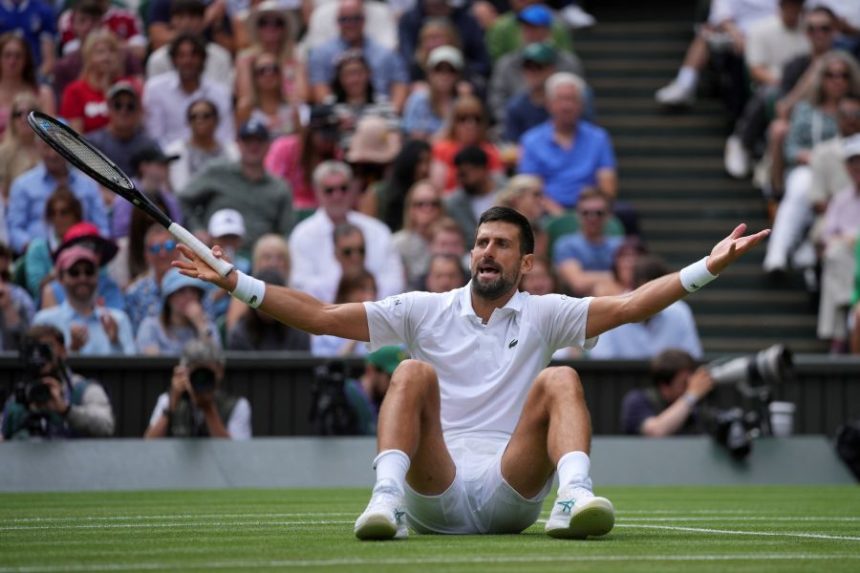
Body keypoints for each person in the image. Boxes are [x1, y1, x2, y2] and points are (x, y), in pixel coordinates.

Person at [173, 204, 768, 540]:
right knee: (412, 374)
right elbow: (325, 317)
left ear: (526, 262)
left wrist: (706, 268)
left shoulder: (546, 313)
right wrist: (237, 282)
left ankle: (575, 499)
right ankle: (385, 503)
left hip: (513, 492)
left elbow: (631, 304)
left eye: (502, 244)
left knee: (561, 379)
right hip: (435, 485)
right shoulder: (423, 309)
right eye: (481, 241)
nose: (487, 251)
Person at [289, 160, 404, 302]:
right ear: (317, 192)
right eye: (329, 190)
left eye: (343, 188)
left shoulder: (378, 231)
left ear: (352, 189)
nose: (337, 196)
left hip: (375, 314)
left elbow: (395, 282)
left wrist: (364, 301)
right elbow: (301, 286)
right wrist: (350, 292)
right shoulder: (302, 235)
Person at [180, 118, 293, 253]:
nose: (253, 146)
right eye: (247, 141)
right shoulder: (218, 172)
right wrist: (196, 228)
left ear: (268, 145)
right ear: (238, 144)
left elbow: (287, 233)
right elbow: (182, 199)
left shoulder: (279, 188)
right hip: (216, 254)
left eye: (259, 141)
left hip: (259, 261)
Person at [518, 72, 617, 210]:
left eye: (572, 99)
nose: (566, 106)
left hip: (590, 209)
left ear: (582, 104)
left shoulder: (598, 138)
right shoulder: (531, 140)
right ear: (549, 103)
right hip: (546, 212)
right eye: (561, 99)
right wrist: (559, 215)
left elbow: (607, 184)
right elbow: (530, 188)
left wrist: (591, 209)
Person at [1, 324, 115, 440]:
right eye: (33, 349)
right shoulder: (20, 396)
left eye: (47, 347)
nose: (39, 355)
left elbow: (106, 425)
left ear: (63, 351)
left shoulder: (82, 389)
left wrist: (66, 410)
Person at [589, 256, 704, 360]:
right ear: (633, 288)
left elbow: (692, 357)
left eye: (656, 296)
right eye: (646, 295)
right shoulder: (610, 309)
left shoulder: (681, 312)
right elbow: (602, 359)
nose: (650, 302)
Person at [7, 137, 108, 255]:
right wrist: (34, 249)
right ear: (38, 148)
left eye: (58, 147)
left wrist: (93, 248)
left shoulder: (88, 185)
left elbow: (103, 228)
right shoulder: (22, 185)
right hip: (37, 257)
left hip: (84, 257)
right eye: (47, 147)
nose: (53, 154)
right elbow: (14, 229)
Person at [33, 245, 135, 356]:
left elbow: (131, 369)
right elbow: (40, 366)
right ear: (61, 279)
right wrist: (71, 350)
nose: (82, 278)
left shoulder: (118, 319)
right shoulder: (45, 321)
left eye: (89, 272)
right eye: (74, 272)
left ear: (97, 276)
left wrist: (115, 342)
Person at [307, 0, 408, 111]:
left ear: (364, 20)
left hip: (379, 115)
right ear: (337, 22)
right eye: (345, 20)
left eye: (356, 19)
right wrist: (336, 116)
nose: (350, 24)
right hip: (339, 115)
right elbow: (320, 91)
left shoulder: (385, 54)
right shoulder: (321, 54)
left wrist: (391, 114)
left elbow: (400, 82)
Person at [144, 338, 251, 439]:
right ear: (184, 372)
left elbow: (237, 454)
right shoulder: (167, 400)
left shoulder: (237, 406)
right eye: (196, 372)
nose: (201, 378)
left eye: (207, 372)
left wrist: (208, 409)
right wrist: (170, 407)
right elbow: (149, 447)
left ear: (220, 371)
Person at [143, 32, 235, 147]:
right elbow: (155, 136)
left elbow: (226, 136)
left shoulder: (220, 93)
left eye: (193, 55)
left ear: (203, 59)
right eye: (181, 56)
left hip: (212, 157)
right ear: (173, 60)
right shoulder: (155, 89)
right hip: (169, 158)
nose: (187, 61)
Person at [620, 349, 715, 436]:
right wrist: (691, 396)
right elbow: (655, 431)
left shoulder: (696, 407)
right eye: (684, 383)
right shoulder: (638, 400)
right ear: (665, 387)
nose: (690, 388)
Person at [552, 189, 623, 296]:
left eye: (598, 213)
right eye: (586, 213)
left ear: (609, 215)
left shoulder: (620, 244)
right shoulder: (565, 244)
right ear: (577, 215)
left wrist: (589, 278)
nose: (592, 218)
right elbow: (578, 283)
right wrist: (615, 276)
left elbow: (631, 278)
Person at [136, 268, 221, 355]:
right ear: (169, 298)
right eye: (181, 291)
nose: (189, 296)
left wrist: (201, 326)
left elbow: (215, 359)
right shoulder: (150, 326)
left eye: (193, 291)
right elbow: (151, 363)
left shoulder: (207, 325)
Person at [87, 81, 158, 180]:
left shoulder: (149, 145)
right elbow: (88, 181)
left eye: (130, 106)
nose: (123, 111)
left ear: (138, 110)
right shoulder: (93, 143)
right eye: (118, 105)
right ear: (108, 108)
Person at [165, 98, 240, 193]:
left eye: (206, 116)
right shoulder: (173, 151)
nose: (199, 120)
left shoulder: (233, 151)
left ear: (217, 120)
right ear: (188, 122)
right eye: (193, 117)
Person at [227, 267, 310, 351]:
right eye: (262, 300)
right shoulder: (241, 332)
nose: (267, 306)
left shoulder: (298, 332)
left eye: (272, 300)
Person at [443, 145, 504, 244]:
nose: (460, 179)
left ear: (482, 169)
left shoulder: (506, 190)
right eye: (459, 175)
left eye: (464, 174)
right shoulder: (454, 202)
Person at [392, 180, 446, 287]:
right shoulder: (397, 243)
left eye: (433, 204)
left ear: (441, 208)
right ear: (410, 209)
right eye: (420, 204)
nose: (427, 209)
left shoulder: (450, 238)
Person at [345, 346, 408, 435]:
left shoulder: (381, 401)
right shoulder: (347, 395)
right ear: (370, 370)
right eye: (391, 376)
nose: (396, 383)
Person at [0, 33, 54, 136]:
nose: (12, 61)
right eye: (7, 55)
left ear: (26, 60)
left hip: (34, 149)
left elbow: (49, 130)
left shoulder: (42, 94)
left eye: (18, 56)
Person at [0, 241, 35, 350]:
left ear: (5, 261)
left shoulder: (20, 297)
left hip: (10, 365)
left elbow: (29, 343)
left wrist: (8, 307)